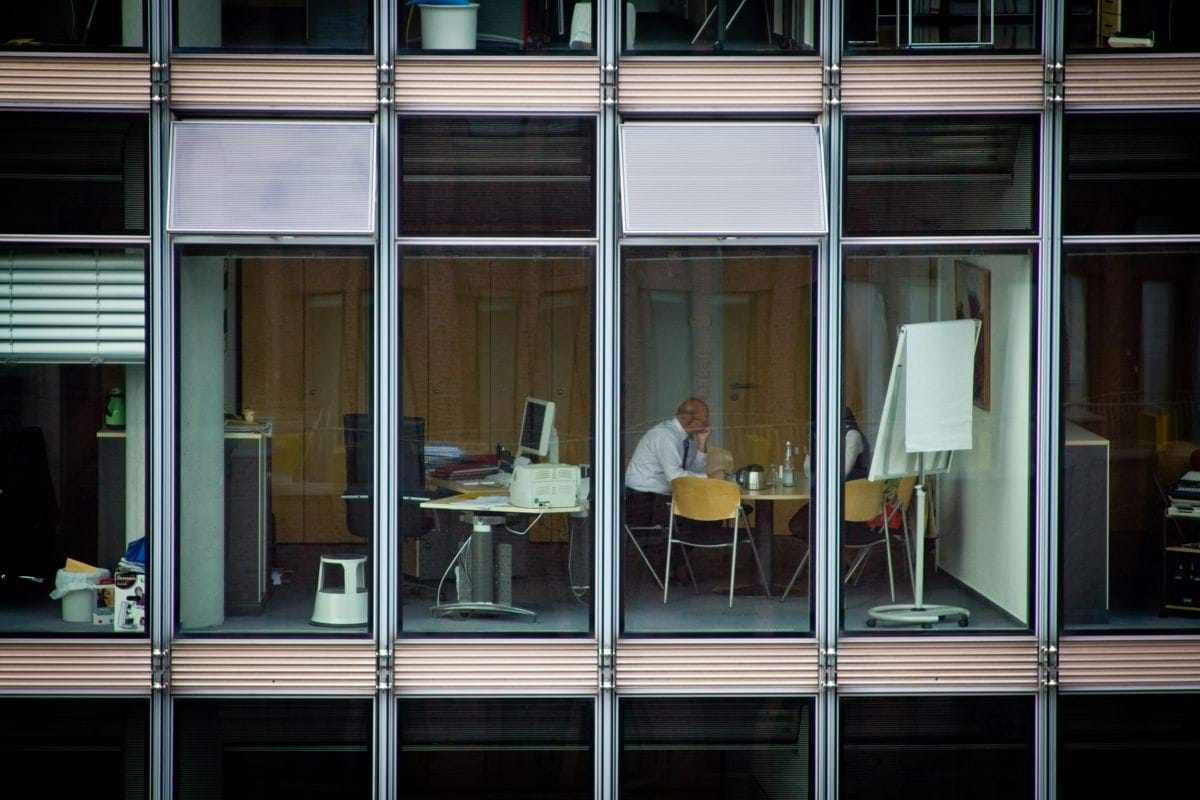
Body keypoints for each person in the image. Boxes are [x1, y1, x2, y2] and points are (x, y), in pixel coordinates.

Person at [624, 398, 724, 528]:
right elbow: (675, 477)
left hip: (663, 497)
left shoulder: (684, 437)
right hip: (645, 501)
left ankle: (673, 546)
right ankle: (666, 547)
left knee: (714, 515)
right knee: (710, 519)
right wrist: (710, 479)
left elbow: (691, 472)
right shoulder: (666, 436)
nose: (707, 424)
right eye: (704, 420)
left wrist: (702, 443)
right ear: (689, 421)